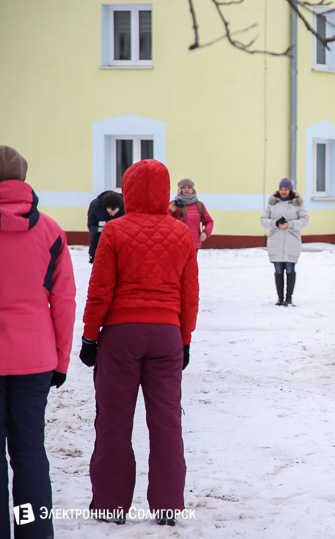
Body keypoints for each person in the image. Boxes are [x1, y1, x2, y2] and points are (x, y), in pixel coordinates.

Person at [80, 159, 199, 526]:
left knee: (114, 420)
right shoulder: (180, 233)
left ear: (128, 190)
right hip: (165, 334)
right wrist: (185, 338)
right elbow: (189, 293)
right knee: (166, 422)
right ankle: (167, 506)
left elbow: (100, 289)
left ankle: (110, 505)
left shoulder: (114, 231)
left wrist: (89, 335)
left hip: (121, 334)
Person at [0, 145, 76, 538]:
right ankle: (34, 532)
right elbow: (63, 301)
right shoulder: (50, 231)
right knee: (30, 453)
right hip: (34, 357)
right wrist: (62, 361)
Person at [259, 178, 310, 306]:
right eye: (281, 189)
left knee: (290, 269)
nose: (283, 192)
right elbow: (263, 219)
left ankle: (289, 298)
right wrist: (275, 223)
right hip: (276, 242)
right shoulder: (272, 204)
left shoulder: (297, 204)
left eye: (286, 189)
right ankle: (280, 298)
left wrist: (290, 224)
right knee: (278, 271)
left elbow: (305, 220)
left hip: (291, 242)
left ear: (290, 190)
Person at [169, 178, 213, 251]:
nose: (186, 189)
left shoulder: (199, 205)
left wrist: (205, 233)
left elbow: (209, 221)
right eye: (183, 187)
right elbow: (165, 223)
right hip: (177, 243)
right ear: (179, 190)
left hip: (194, 244)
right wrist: (170, 211)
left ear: (193, 190)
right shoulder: (173, 205)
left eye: (189, 187)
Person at [87, 190, 125, 263]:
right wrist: (100, 230)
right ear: (106, 207)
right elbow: (91, 225)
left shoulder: (124, 206)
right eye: (111, 213)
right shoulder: (95, 206)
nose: (113, 215)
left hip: (119, 242)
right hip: (99, 241)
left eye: (116, 213)